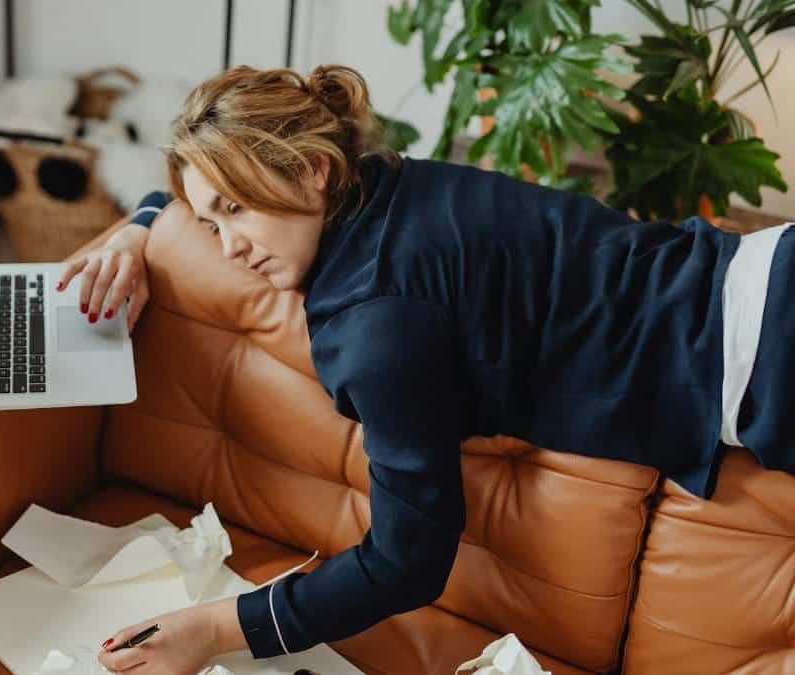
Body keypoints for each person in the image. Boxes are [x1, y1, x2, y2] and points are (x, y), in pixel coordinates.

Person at [53, 64, 795, 674]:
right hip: (760, 273)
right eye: (211, 222)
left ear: (312, 170)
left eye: (236, 211)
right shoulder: (380, 181)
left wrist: (218, 627)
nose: (226, 246)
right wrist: (139, 229)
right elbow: (192, 191)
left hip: (768, 355)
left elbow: (408, 559)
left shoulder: (377, 323)